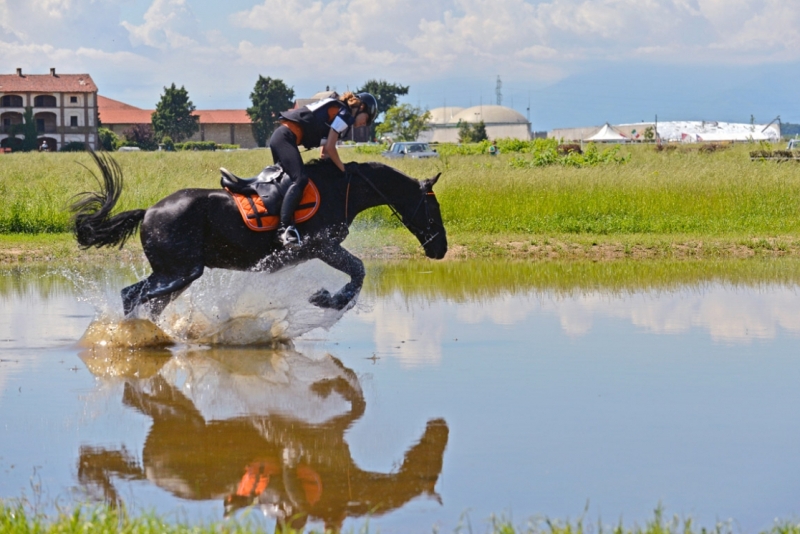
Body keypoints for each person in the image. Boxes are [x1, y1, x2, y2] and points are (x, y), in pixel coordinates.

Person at [270, 91, 378, 247]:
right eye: (366, 119)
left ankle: (287, 226)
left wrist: (325, 164)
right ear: (361, 107)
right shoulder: (346, 115)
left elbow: (325, 150)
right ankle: (283, 229)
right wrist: (343, 170)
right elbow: (330, 147)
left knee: (286, 185)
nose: (364, 124)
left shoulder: (341, 112)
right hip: (285, 138)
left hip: (283, 137)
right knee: (300, 179)